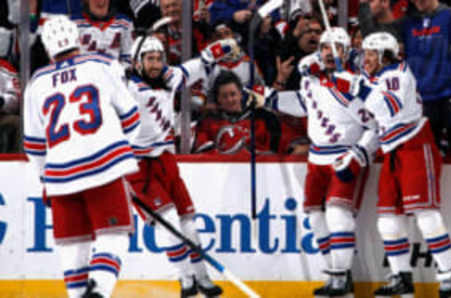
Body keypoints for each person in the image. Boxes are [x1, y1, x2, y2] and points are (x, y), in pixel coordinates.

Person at [251, 27, 379, 296]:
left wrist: (358, 154)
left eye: (337, 48)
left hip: (343, 157)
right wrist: (268, 98)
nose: (330, 54)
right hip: (316, 158)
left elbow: (375, 126)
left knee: (337, 216)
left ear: (347, 52)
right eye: (324, 48)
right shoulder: (311, 81)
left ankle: (342, 278)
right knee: (316, 219)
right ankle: (335, 277)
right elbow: (301, 103)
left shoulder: (355, 85)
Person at [23, 16, 140, 298]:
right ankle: (98, 291)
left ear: (48, 47)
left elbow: (34, 146)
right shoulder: (102, 65)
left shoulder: (35, 84)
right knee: (114, 237)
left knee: (73, 252)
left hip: (60, 177)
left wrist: (47, 178)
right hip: (105, 165)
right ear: (77, 38)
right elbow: (133, 118)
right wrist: (120, 152)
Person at [125, 36, 243, 297]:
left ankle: (202, 278)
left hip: (166, 161)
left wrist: (221, 47)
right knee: (170, 224)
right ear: (138, 62)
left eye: (158, 58)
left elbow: (198, 64)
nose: (155, 64)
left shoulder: (168, 78)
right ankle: (186, 281)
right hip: (139, 168)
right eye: (149, 59)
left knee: (189, 223)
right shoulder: (128, 89)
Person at [360, 32, 451, 298]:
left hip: (415, 146)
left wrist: (355, 87)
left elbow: (389, 107)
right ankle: (402, 277)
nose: (365, 59)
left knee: (426, 216)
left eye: (371, 53)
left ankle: (448, 274)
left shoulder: (397, 74)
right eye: (364, 53)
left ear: (386, 56)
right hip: (392, 151)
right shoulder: (376, 77)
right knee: (388, 221)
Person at [358, 0, 451, 155]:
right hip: (423, 103)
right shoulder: (407, 24)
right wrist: (364, 8)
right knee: (426, 159)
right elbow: (374, 39)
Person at [193, 70, 307, 154]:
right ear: (217, 99)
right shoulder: (208, 123)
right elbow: (203, 152)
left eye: (233, 94)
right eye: (224, 96)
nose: (230, 100)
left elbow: (286, 145)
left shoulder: (265, 119)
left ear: (241, 94)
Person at [71, 0, 135, 65]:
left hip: (114, 72)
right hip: (82, 72)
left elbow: (128, 58)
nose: (101, 2)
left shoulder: (125, 23)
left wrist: (118, 72)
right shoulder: (71, 24)